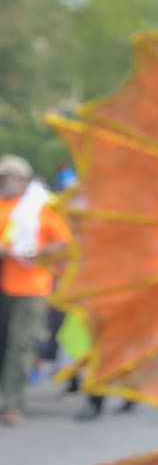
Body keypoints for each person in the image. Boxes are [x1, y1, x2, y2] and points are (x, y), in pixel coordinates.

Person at [0, 155, 70, 426]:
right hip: (3, 285)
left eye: (9, 177)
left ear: (21, 179)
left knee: (19, 345)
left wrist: (38, 251)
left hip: (29, 287)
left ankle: (13, 403)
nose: (5, 182)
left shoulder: (38, 208)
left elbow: (63, 242)